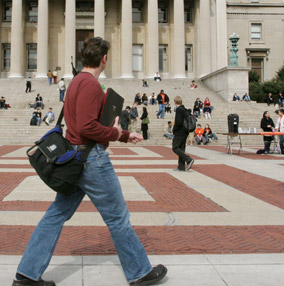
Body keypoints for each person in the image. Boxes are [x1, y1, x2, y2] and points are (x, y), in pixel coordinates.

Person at [13, 37, 166, 286]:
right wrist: (117, 133)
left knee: (56, 215)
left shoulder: (75, 82)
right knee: (117, 217)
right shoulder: (91, 85)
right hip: (91, 159)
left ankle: (27, 273)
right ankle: (139, 271)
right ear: (104, 59)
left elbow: (84, 124)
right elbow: (88, 127)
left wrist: (125, 134)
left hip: (74, 158)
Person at [172, 96, 194, 171]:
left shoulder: (179, 109)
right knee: (181, 148)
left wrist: (174, 129)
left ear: (175, 102)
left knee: (175, 147)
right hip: (185, 132)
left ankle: (188, 159)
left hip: (179, 132)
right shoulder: (185, 109)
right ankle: (181, 167)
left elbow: (178, 122)